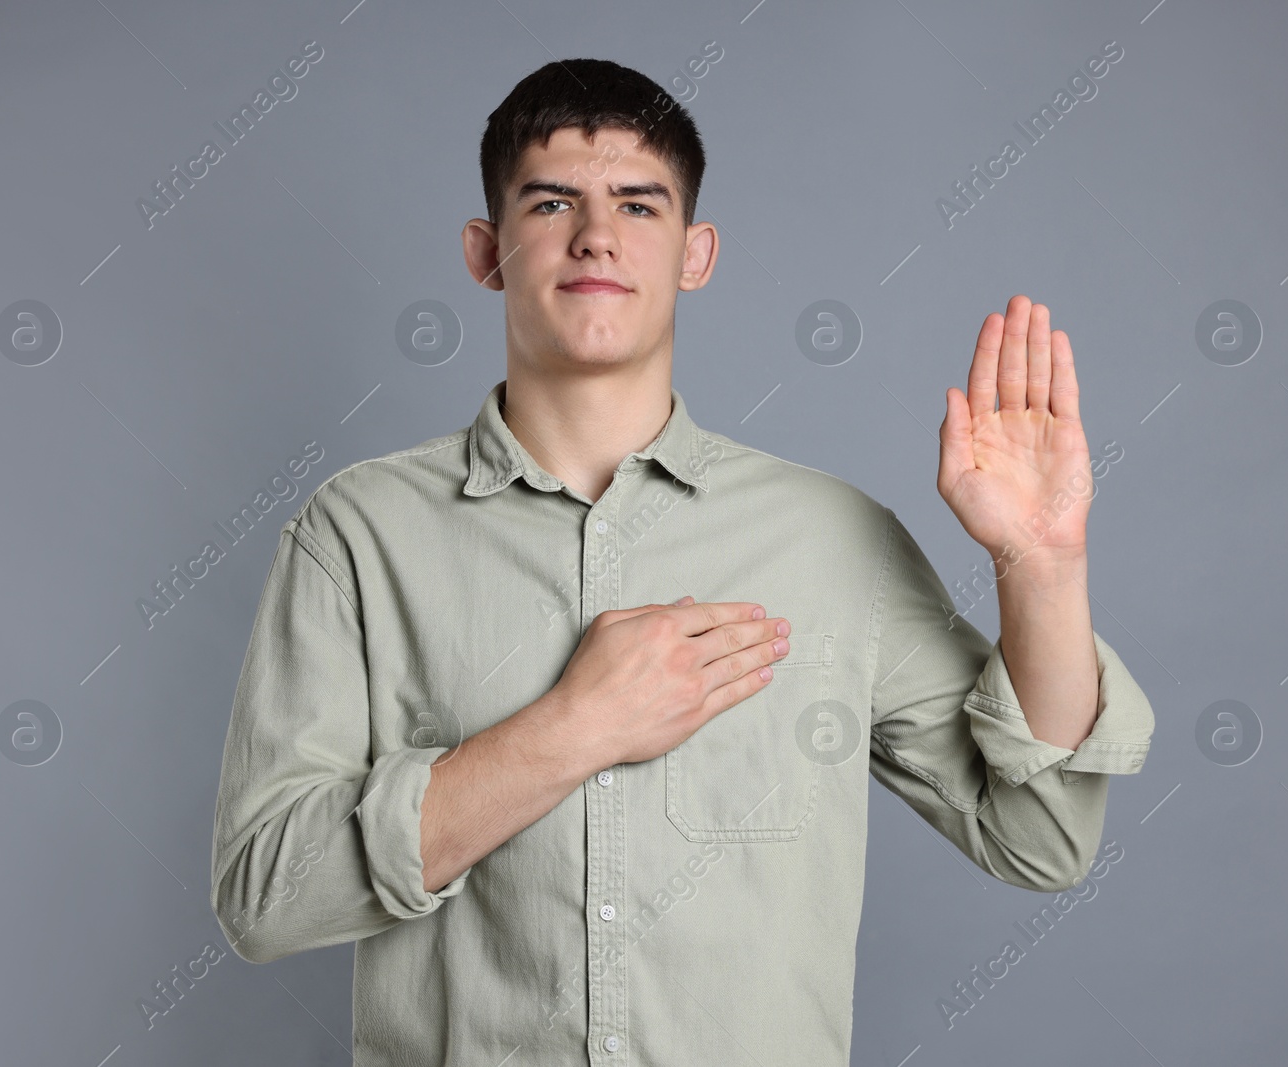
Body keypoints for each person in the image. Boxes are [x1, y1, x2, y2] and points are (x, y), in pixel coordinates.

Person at [209, 56, 1154, 1066]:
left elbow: (1041, 836)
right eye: (551, 201)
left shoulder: (831, 537)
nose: (596, 235)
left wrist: (1039, 566)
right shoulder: (358, 531)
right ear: (487, 251)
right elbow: (266, 894)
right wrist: (571, 728)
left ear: (695, 253)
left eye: (638, 204)